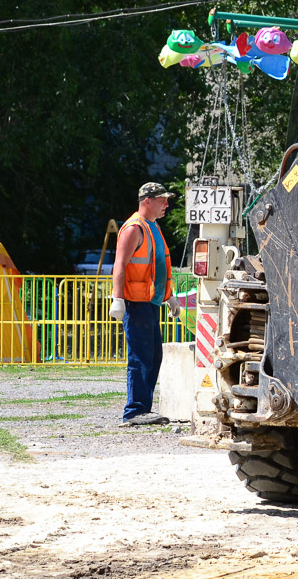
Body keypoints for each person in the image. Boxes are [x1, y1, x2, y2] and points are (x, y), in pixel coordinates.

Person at [110, 182, 180, 426]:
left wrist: (168, 295)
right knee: (141, 357)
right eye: (162, 200)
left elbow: (157, 265)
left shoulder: (152, 227)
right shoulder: (133, 228)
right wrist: (117, 299)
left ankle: (143, 410)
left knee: (153, 356)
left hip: (150, 302)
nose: (167, 204)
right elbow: (119, 265)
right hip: (136, 303)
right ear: (147, 201)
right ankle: (135, 411)